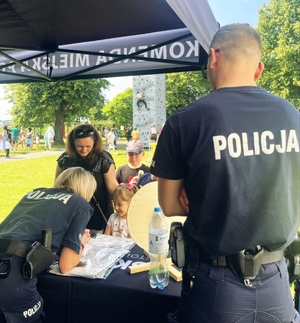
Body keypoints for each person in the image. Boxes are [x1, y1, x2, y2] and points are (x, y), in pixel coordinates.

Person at [150, 23, 300, 323]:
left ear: (213, 57)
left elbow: (168, 206)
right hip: (278, 280)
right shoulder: (293, 116)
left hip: (214, 283)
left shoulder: (185, 121)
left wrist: (198, 194)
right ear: (259, 69)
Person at [0, 167, 96, 322]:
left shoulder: (34, 193)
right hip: (11, 276)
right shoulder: (80, 204)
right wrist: (81, 243)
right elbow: (65, 265)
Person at [55, 123, 118, 233]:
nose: (84, 150)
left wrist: (123, 202)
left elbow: (113, 187)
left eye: (88, 146)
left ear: (95, 143)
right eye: (79, 146)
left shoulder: (103, 159)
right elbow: (57, 187)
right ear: (72, 144)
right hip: (71, 215)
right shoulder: (65, 159)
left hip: (98, 215)